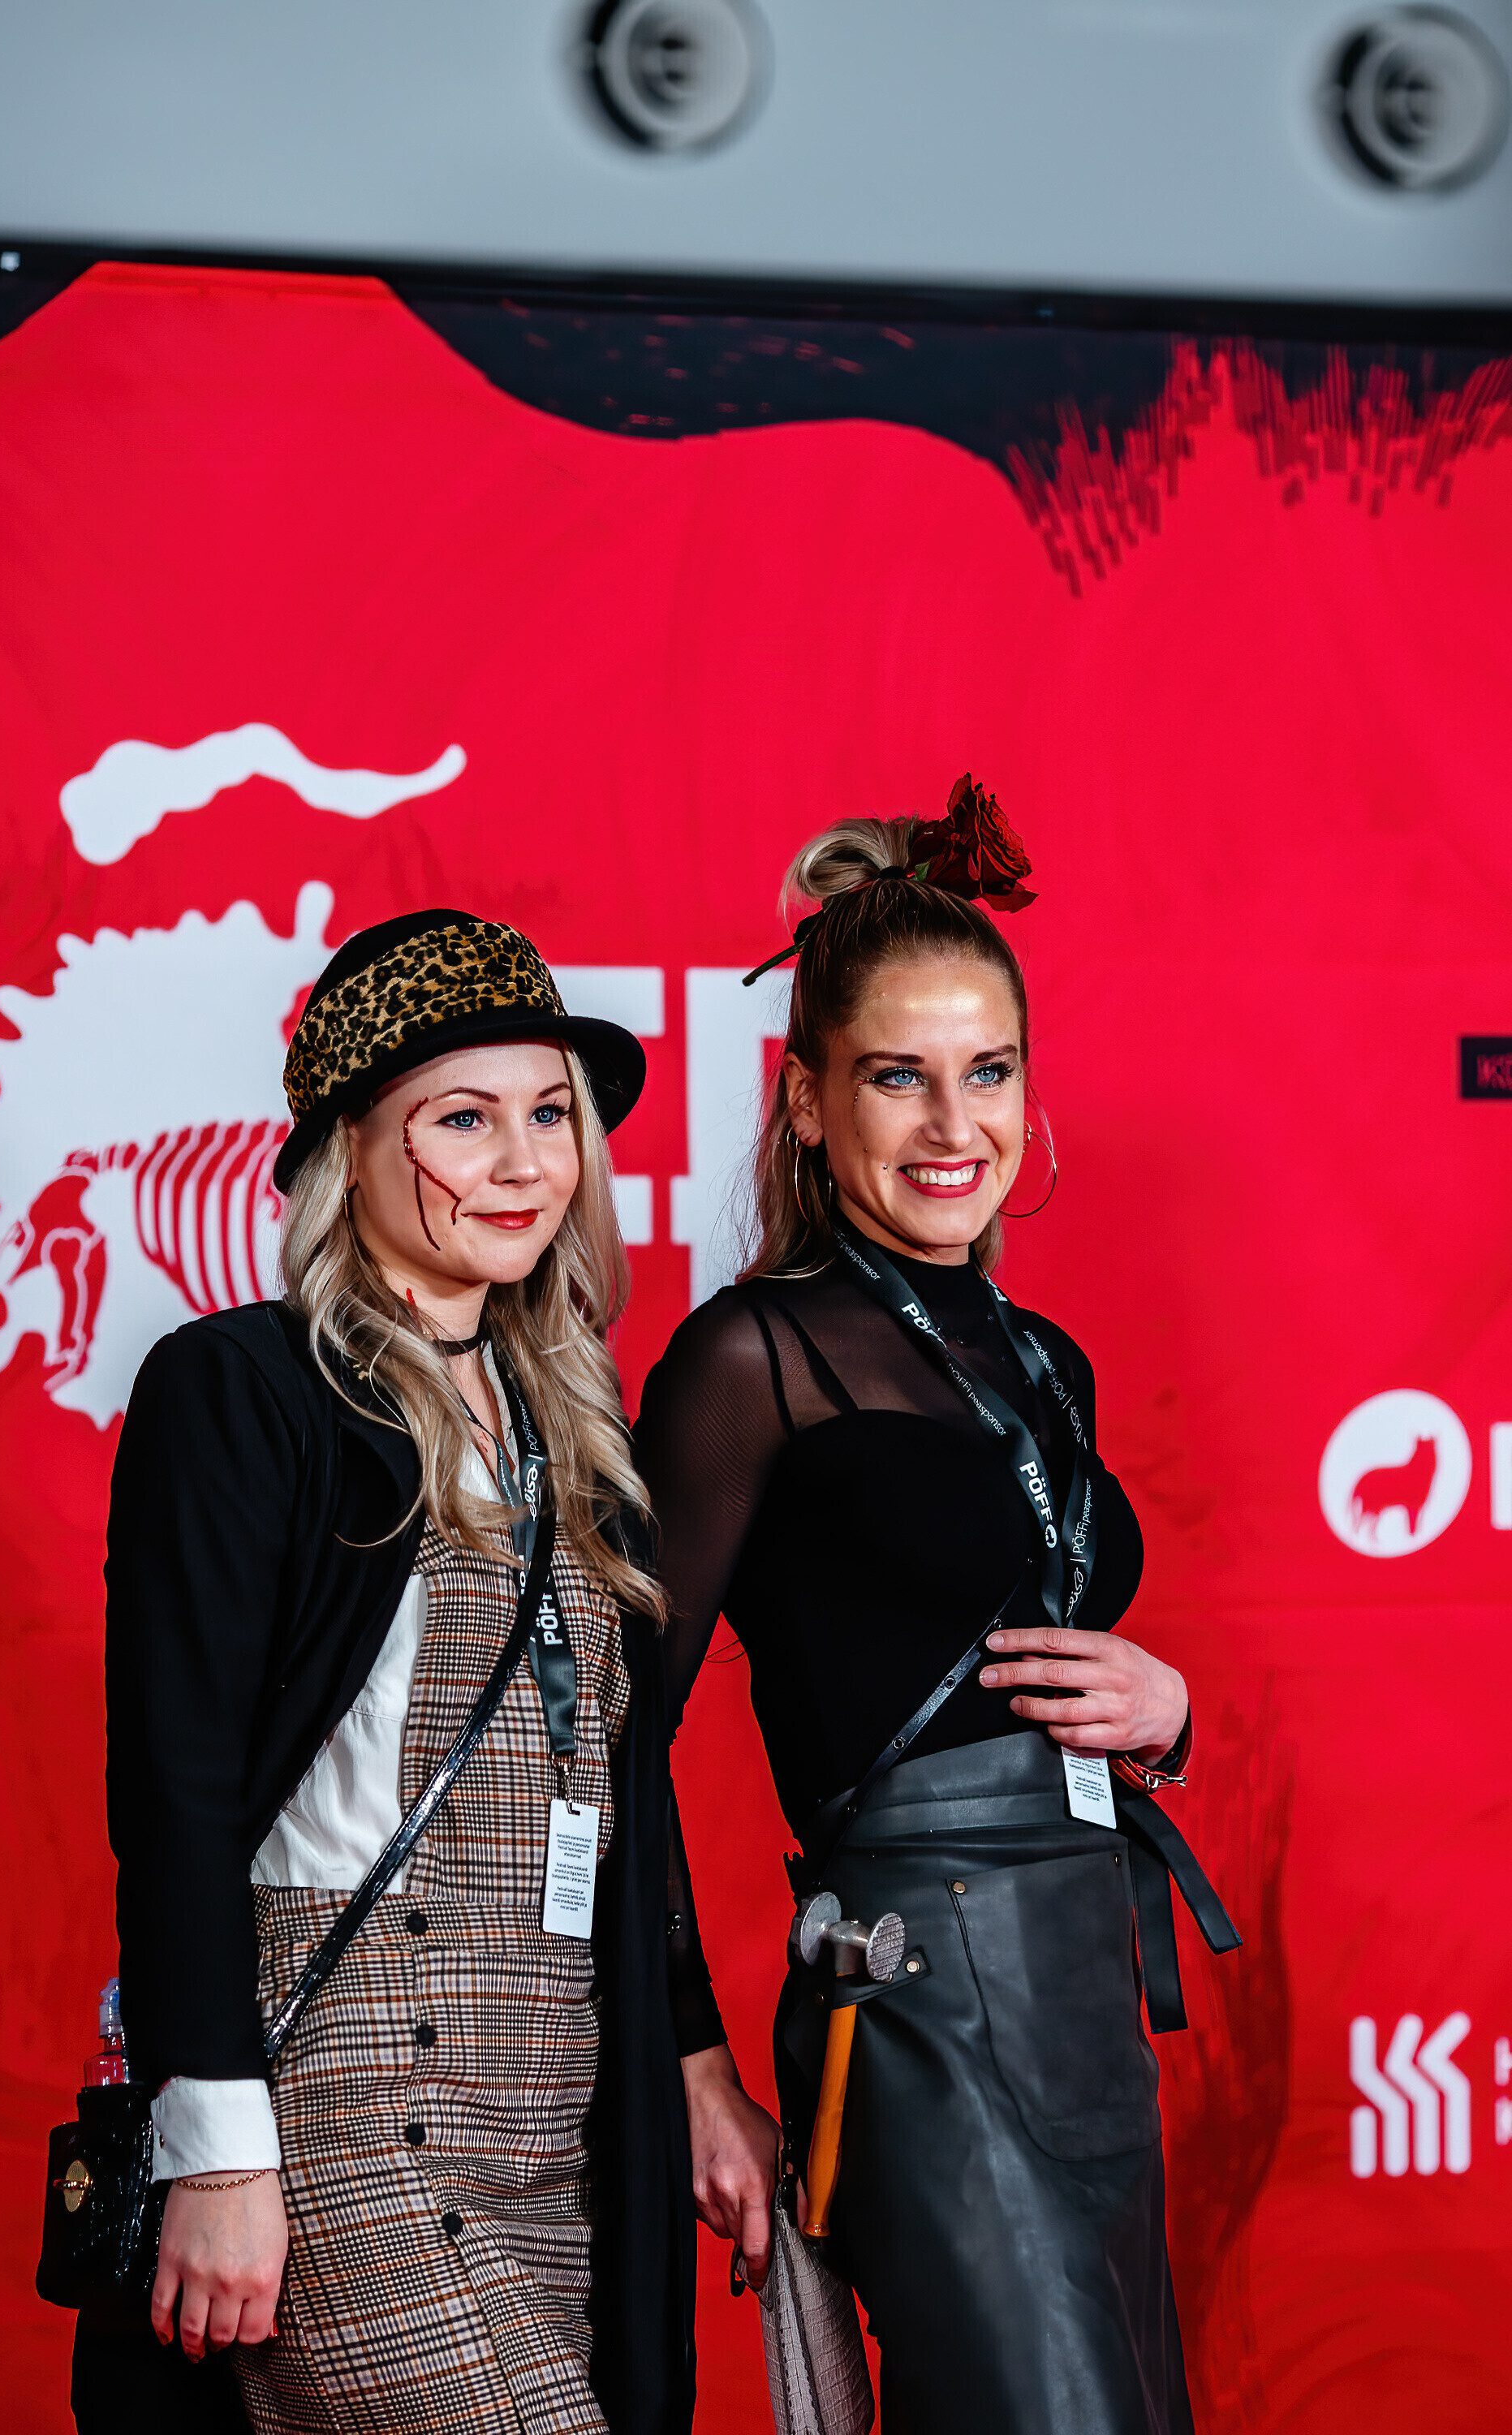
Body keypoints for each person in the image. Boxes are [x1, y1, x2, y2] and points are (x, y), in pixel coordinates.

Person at [74, 907, 769, 2435]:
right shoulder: (242, 1389)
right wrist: (217, 2149)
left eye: (549, 1116)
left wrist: (695, 2064)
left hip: (558, 2124)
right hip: (347, 2107)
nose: (523, 1164)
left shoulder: (579, 1429)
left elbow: (624, 1793)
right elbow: (176, 1794)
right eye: (463, 1119)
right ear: (351, 1149)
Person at [638, 785, 1238, 2435]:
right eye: (897, 1075)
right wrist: (692, 2065)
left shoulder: (1045, 1363)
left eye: (989, 1072)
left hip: (1083, 1983)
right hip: (914, 1997)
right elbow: (602, 1738)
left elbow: (1021, 1647)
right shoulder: (750, 1360)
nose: (950, 1123)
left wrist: (1168, 1715)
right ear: (809, 1099)